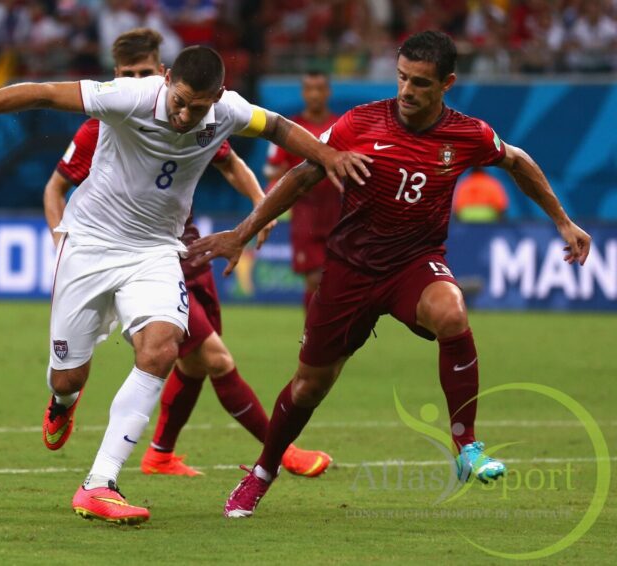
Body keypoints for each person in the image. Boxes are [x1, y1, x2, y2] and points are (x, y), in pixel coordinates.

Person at [0, 45, 370, 525]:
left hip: (154, 250)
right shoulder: (130, 97)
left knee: (162, 347)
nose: (187, 114)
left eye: (200, 106)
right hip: (89, 243)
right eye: (181, 100)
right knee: (69, 377)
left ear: (219, 96)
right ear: (167, 79)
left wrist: (328, 155)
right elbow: (43, 93)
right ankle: (63, 402)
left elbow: (277, 126)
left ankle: (99, 483)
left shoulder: (226, 110)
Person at [187, 31, 592, 518]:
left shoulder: (467, 134)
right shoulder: (359, 123)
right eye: (402, 77)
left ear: (447, 84)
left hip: (413, 264)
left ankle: (467, 446)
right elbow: (301, 174)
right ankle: (262, 473)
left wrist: (563, 221)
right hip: (349, 271)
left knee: (451, 310)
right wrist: (244, 230)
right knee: (309, 387)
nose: (407, 90)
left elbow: (518, 161)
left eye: (420, 83)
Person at [43, 28, 331, 480]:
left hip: (183, 248)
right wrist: (63, 242)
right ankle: (279, 449)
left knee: (192, 360)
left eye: (144, 72)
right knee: (210, 357)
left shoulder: (202, 114)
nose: (136, 80)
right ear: (116, 78)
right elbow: (56, 186)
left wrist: (260, 204)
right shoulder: (103, 121)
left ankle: (159, 452)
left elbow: (232, 159)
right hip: (112, 250)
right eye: (126, 74)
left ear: (162, 72)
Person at [264, 72, 340, 310]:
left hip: (339, 211)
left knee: (337, 281)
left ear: (328, 92)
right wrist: (282, 171)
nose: (315, 94)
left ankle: (330, 335)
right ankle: (314, 337)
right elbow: (270, 168)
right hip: (306, 212)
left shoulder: (341, 127)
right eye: (310, 89)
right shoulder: (290, 129)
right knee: (314, 280)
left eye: (319, 89)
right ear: (303, 93)